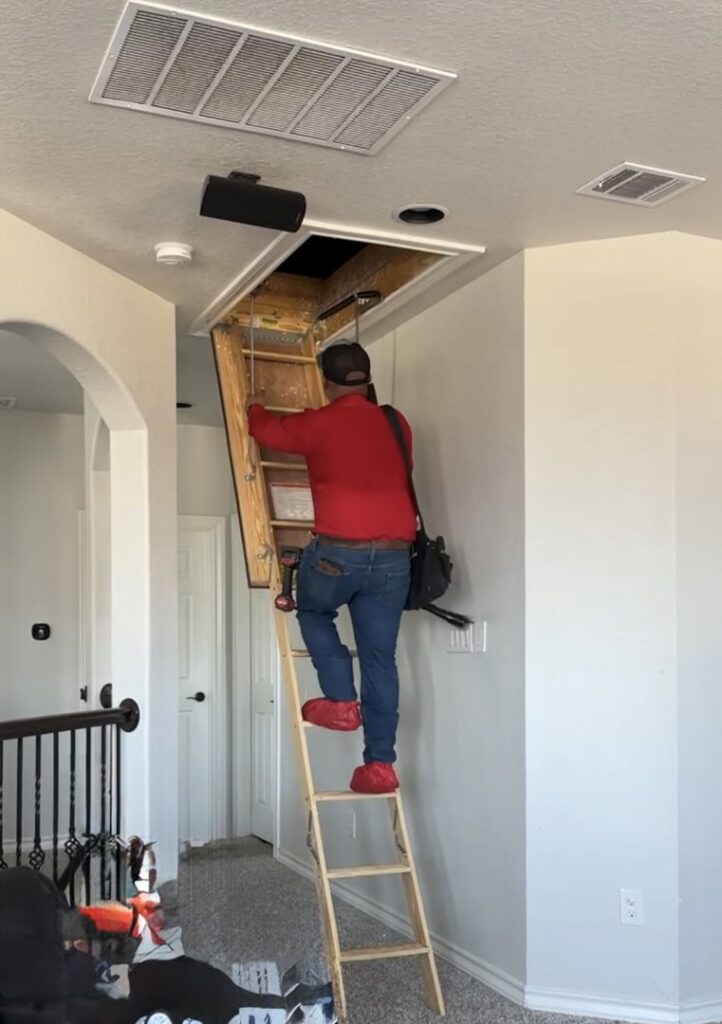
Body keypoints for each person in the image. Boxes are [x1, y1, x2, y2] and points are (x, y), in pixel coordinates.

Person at [247, 341, 415, 794]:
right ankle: (380, 766)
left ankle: (342, 701)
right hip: (395, 557)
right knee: (381, 660)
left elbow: (266, 431)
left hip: (340, 553)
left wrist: (254, 406)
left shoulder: (318, 423)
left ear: (326, 380)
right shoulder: (395, 422)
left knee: (312, 610)